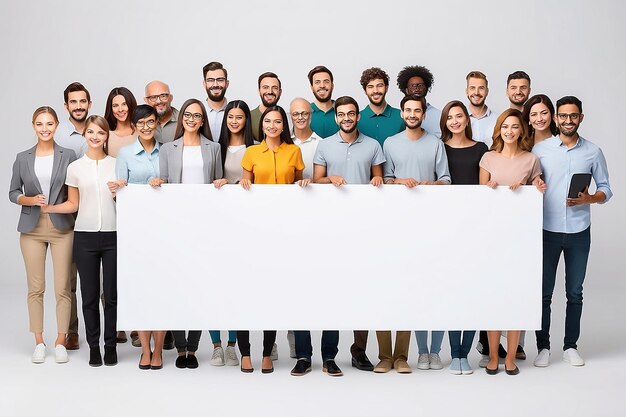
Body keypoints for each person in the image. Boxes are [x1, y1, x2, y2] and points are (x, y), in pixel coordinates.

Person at [532, 96, 612, 368]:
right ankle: (543, 347)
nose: (568, 120)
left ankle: (570, 346)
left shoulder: (593, 151)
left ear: (581, 118)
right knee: (543, 293)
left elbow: (606, 188)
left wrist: (590, 198)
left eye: (573, 116)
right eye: (563, 116)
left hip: (579, 231)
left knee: (574, 292)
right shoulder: (540, 150)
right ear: (556, 118)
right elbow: (529, 181)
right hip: (547, 229)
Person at [313, 96, 385, 373]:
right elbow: (317, 179)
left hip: (364, 228)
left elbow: (379, 180)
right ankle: (328, 355)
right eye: (341, 114)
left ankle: (359, 351)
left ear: (357, 116)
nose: (346, 118)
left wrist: (377, 180)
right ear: (336, 117)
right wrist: (329, 178)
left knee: (363, 290)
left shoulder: (373, 145)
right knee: (331, 289)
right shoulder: (325, 144)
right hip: (330, 227)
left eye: (351, 113)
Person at [43, 115, 120, 367]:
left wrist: (120, 192)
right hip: (84, 237)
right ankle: (94, 347)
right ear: (85, 135)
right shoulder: (75, 168)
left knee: (110, 295)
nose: (95, 137)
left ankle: (110, 347)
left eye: (100, 132)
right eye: (91, 132)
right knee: (88, 296)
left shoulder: (117, 165)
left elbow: (125, 202)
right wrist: (50, 208)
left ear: (107, 136)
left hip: (113, 235)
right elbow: (73, 203)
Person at [151, 98, 222, 369]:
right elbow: (166, 180)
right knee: (177, 285)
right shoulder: (169, 148)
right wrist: (159, 182)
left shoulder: (213, 148)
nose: (192, 119)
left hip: (205, 225)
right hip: (176, 225)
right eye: (188, 115)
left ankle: (193, 348)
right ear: (183, 120)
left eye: (197, 115)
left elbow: (217, 181)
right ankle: (180, 348)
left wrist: (221, 182)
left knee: (200, 286)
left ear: (203, 120)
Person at [382, 94, 450, 373]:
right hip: (396, 224)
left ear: (424, 114)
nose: (412, 114)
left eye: (417, 110)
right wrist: (400, 181)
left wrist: (429, 184)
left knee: (425, 283)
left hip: (429, 223)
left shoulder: (435, 143)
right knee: (394, 284)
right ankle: (395, 354)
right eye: (407, 110)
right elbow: (384, 180)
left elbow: (446, 179)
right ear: (402, 113)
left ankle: (426, 351)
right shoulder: (390, 143)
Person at [239, 105, 309, 374]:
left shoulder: (294, 151)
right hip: (255, 232)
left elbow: (299, 184)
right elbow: (245, 191)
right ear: (262, 125)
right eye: (267, 121)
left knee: (272, 293)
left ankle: (267, 352)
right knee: (247, 293)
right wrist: (242, 186)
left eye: (277, 121)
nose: (272, 125)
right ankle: (246, 352)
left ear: (284, 126)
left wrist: (304, 185)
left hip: (285, 233)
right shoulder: (251, 152)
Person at [479, 108, 546, 376]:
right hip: (492, 237)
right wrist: (490, 190)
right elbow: (479, 200)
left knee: (516, 296)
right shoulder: (488, 158)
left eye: (514, 127)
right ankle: (494, 356)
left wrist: (534, 187)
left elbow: (538, 190)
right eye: (505, 126)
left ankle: (510, 358)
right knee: (494, 296)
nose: (509, 131)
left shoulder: (531, 160)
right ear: (499, 129)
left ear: (522, 130)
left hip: (521, 238)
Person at [9, 106, 76, 364]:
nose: (45, 128)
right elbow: (13, 192)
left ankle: (61, 340)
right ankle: (39, 341)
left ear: (57, 125)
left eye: (49, 124)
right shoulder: (22, 157)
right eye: (40, 124)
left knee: (63, 288)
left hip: (61, 226)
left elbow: (74, 191)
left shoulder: (67, 155)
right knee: (35, 288)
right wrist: (29, 199)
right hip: (31, 228)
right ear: (33, 126)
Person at [115, 104, 166, 369]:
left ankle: (159, 351)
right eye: (141, 123)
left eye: (150, 122)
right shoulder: (124, 154)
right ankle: (145, 349)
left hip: (164, 231)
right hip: (135, 233)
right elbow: (118, 194)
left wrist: (163, 183)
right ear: (134, 126)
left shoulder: (166, 152)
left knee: (162, 291)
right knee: (140, 290)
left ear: (157, 123)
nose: (146, 127)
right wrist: (123, 187)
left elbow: (175, 185)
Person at [440, 100, 488, 374]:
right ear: (445, 122)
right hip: (447, 227)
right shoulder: (440, 148)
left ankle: (465, 354)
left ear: (467, 120)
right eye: (450, 117)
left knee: (472, 291)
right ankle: (454, 352)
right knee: (451, 291)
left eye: (460, 116)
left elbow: (486, 184)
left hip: (475, 227)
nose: (455, 121)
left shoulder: (482, 149)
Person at [210, 100, 257, 367]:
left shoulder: (255, 147)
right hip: (221, 221)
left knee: (242, 284)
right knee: (217, 281)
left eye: (240, 117)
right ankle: (216, 345)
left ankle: (233, 345)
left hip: (248, 223)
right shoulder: (216, 147)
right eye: (231, 117)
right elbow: (213, 178)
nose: (235, 121)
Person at [55, 82, 91, 350]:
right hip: (68, 216)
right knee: (69, 279)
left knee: (102, 277)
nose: (78, 106)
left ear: (89, 103)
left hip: (96, 212)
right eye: (73, 102)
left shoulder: (100, 131)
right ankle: (71, 330)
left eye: (83, 101)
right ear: (66, 106)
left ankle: (113, 328)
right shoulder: (57, 136)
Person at [358, 67, 404, 146]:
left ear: (386, 88)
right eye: (370, 87)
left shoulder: (402, 116)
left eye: (379, 85)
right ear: (365, 91)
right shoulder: (356, 119)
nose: (375, 90)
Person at [396, 65, 441, 137]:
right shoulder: (403, 115)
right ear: (406, 90)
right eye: (413, 86)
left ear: (427, 88)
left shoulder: (439, 115)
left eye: (420, 85)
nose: (417, 89)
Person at [290, 98, 320, 179]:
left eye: (304, 113)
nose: (300, 117)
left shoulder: (321, 143)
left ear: (311, 115)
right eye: (295, 114)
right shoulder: (283, 142)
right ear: (290, 116)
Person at [465, 71, 497, 148]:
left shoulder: (498, 119)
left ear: (487, 91)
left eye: (481, 88)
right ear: (467, 92)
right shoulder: (459, 120)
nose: (476, 92)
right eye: (472, 88)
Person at [104, 87, 138, 157]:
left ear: (130, 104)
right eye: (115, 105)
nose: (120, 109)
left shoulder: (141, 132)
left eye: (124, 104)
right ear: (111, 109)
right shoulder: (106, 135)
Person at [308, 65, 338, 138]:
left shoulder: (342, 111)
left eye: (326, 81)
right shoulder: (305, 113)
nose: (322, 86)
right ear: (312, 87)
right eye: (317, 82)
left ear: (332, 86)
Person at [249, 72, 282, 141]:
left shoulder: (286, 118)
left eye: (274, 88)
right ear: (259, 91)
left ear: (280, 92)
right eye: (265, 87)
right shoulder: (249, 117)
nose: (270, 91)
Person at [203, 61, 229, 140]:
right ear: (204, 84)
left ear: (227, 84)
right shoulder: (199, 112)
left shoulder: (235, 112)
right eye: (210, 80)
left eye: (220, 80)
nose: (215, 85)